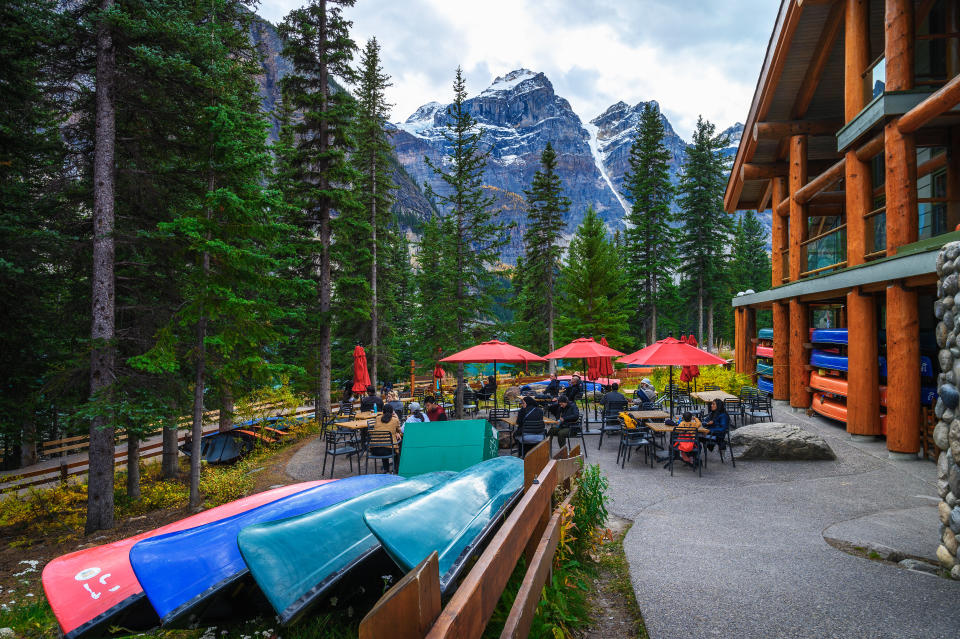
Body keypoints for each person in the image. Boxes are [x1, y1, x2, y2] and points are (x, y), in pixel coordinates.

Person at [371, 404, 401, 472]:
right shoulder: (395, 420)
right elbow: (400, 430)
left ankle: (386, 469)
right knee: (395, 446)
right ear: (392, 412)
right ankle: (396, 468)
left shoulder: (377, 418)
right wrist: (396, 417)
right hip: (387, 451)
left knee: (383, 442)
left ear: (382, 411)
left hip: (374, 450)